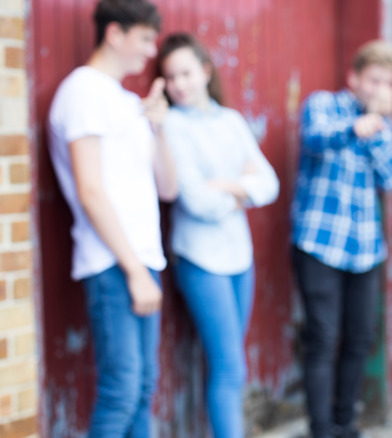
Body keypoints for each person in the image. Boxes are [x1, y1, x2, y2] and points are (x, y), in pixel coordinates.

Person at [46, 0, 176, 436]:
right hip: (113, 265)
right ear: (114, 33)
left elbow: (168, 189)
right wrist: (135, 271)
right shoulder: (83, 90)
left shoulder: (125, 101)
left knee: (142, 390)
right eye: (143, 38)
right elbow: (91, 190)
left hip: (141, 262)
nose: (149, 49)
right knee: (122, 392)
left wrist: (157, 126)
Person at [157, 33, 280, 438]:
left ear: (205, 72)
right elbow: (196, 203)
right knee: (230, 367)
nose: (179, 83)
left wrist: (223, 186)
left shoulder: (230, 121)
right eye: (170, 76)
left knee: (230, 364)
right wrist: (241, 188)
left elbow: (269, 184)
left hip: (238, 258)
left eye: (186, 72)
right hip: (199, 259)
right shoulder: (171, 125)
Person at [291, 40, 392, 438]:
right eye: (374, 79)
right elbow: (315, 140)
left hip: (365, 250)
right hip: (319, 243)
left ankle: (344, 424)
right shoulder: (324, 104)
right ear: (354, 78)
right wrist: (360, 126)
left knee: (359, 339)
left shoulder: (383, 125)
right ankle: (321, 429)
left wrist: (375, 130)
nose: (379, 88)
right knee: (322, 339)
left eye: (387, 83)